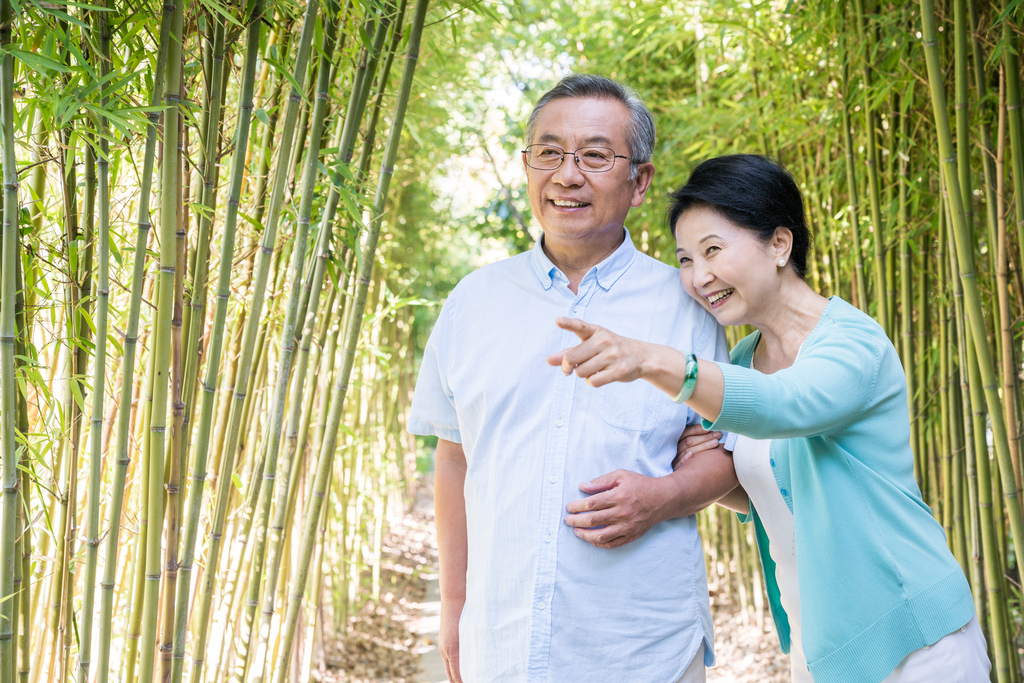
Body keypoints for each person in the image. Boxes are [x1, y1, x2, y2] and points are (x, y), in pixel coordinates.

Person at [549, 154, 991, 683]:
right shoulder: (742, 362)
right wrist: (703, 475)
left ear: (779, 244)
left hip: (912, 634)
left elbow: (784, 405)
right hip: (819, 637)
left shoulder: (853, 343)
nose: (698, 277)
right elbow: (773, 488)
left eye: (713, 250)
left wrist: (653, 360)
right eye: (686, 259)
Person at [408, 75, 739, 683]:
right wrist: (453, 608)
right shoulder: (474, 301)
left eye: (594, 155)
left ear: (639, 180)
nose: (567, 175)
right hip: (503, 640)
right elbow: (453, 457)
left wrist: (659, 497)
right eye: (549, 153)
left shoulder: (691, 302)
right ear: (528, 165)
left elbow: (728, 455)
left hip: (644, 644)